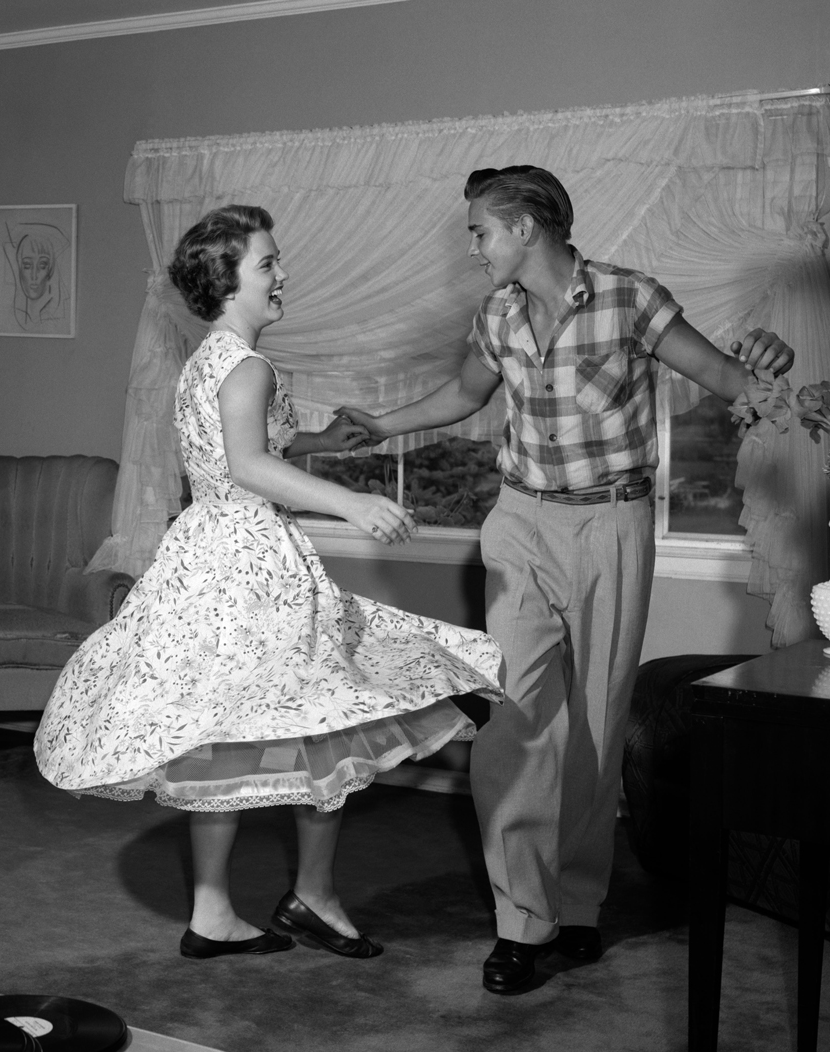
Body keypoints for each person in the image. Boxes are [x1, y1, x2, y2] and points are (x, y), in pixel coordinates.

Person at [337, 166, 795, 994]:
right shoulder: (497, 315)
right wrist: (380, 425)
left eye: (480, 230)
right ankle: (521, 919)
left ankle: (577, 906)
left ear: (526, 228)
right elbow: (462, 396)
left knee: (595, 719)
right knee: (513, 717)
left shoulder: (631, 299)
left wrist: (767, 356)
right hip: (519, 523)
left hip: (611, 525)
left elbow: (733, 381)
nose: (473, 247)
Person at [34, 204, 502, 963]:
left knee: (222, 729)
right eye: (267, 265)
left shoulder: (209, 361)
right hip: (251, 563)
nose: (282, 275)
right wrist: (353, 501)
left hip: (208, 557)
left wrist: (320, 442)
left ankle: (213, 911)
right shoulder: (248, 365)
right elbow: (248, 465)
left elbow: (236, 447)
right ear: (227, 282)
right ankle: (312, 897)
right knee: (318, 721)